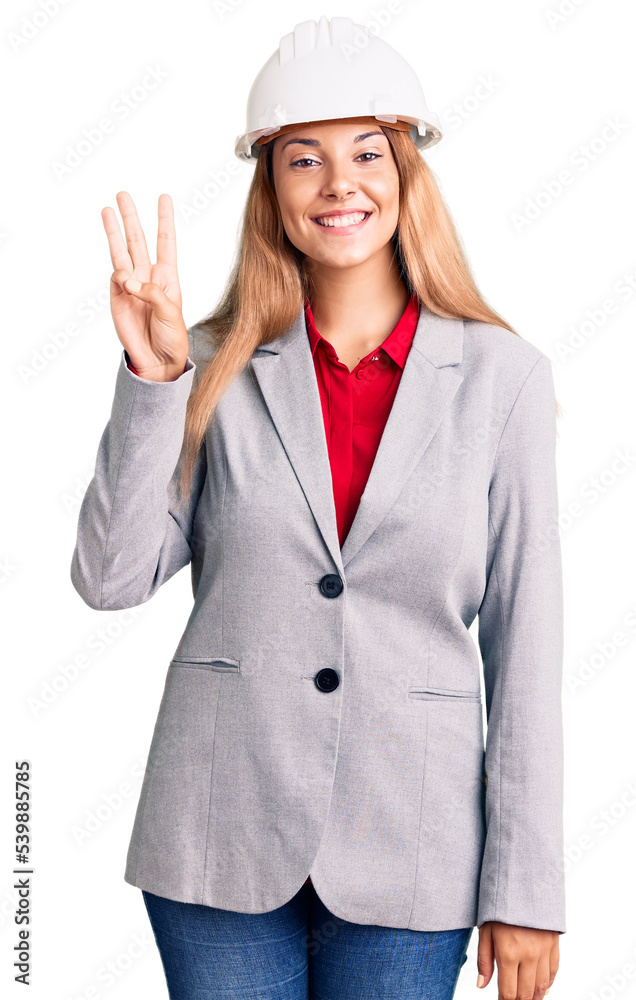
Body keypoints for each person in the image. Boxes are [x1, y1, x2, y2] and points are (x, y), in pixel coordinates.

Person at [70, 15, 565, 1000]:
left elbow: (528, 639)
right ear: (272, 190)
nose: (341, 184)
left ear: (406, 173)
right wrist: (153, 376)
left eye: (366, 153)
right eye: (305, 160)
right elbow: (112, 575)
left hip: (413, 843)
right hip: (216, 834)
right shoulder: (207, 366)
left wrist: (529, 883)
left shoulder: (504, 380)